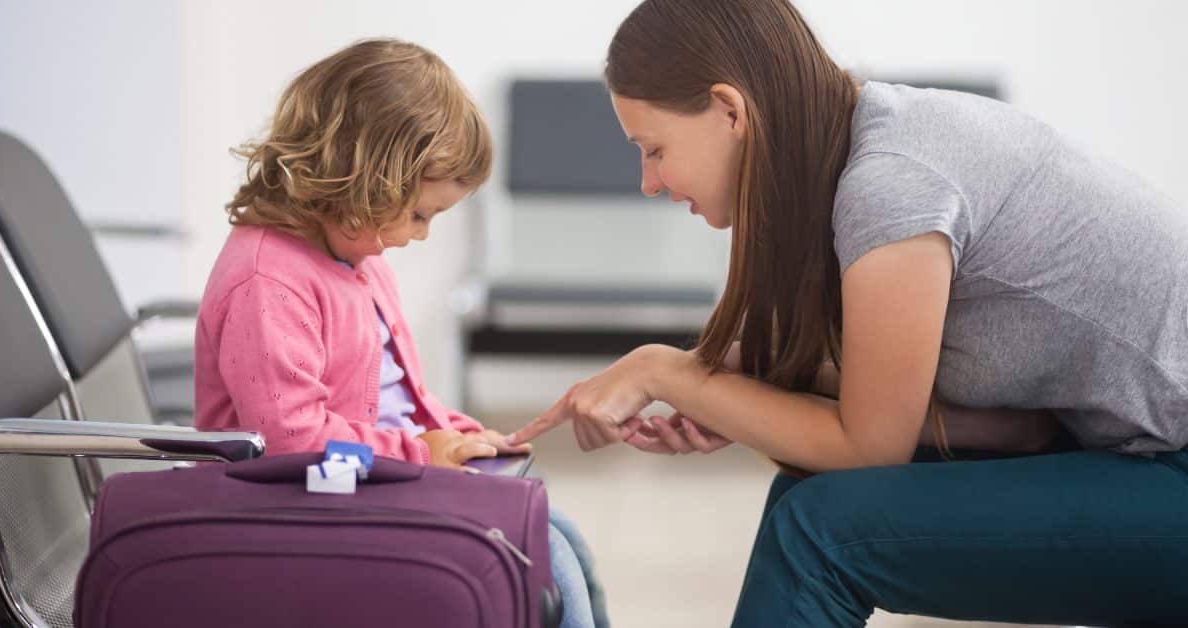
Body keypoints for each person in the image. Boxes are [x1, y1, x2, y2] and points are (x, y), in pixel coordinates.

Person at [507, 1, 1188, 625]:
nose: (649, 183)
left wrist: (668, 373)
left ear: (729, 110)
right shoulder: (876, 136)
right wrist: (736, 386)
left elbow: (871, 446)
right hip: (1122, 449)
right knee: (802, 497)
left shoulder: (892, 184)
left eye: (653, 150)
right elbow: (1015, 428)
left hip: (1170, 469)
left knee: (817, 536)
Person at [193, 38, 606, 628]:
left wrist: (452, 432)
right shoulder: (268, 282)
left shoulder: (359, 259)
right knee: (546, 560)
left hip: (362, 481)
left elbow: (398, 396)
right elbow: (290, 447)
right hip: (302, 502)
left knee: (559, 533)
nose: (423, 234)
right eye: (419, 214)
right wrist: (421, 453)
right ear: (360, 181)